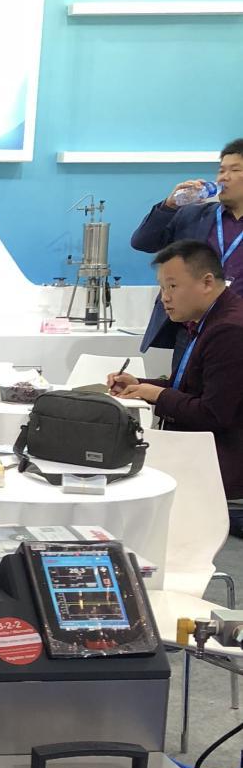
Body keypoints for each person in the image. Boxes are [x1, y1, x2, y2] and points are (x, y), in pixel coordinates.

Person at [108, 241, 243, 506]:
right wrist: (139, 385)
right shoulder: (208, 321)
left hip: (219, 476)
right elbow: (194, 386)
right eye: (162, 288)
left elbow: (213, 414)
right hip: (200, 460)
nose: (165, 298)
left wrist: (158, 395)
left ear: (206, 282)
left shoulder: (229, 330)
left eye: (172, 286)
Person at [130, 140, 243, 352]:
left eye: (235, 170)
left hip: (237, 331)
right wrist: (169, 205)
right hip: (191, 332)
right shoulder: (193, 215)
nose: (223, 177)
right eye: (221, 170)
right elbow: (142, 242)